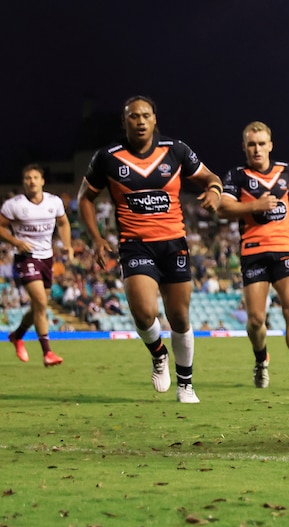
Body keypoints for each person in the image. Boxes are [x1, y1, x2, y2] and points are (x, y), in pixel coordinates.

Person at [77, 96, 223, 403]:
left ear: (155, 119)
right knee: (144, 314)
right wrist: (97, 238)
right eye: (133, 116)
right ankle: (159, 355)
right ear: (124, 121)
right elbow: (84, 198)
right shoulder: (107, 157)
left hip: (173, 243)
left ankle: (186, 385)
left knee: (180, 317)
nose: (140, 121)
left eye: (146, 115)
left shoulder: (176, 150)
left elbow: (210, 177)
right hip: (134, 245)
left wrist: (213, 190)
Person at [217, 121, 289, 392]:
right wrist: (255, 205)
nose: (257, 149)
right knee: (255, 321)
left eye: (262, 143)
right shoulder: (237, 175)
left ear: (270, 145)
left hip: (284, 248)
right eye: (252, 144)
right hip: (253, 252)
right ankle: (262, 359)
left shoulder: (285, 171)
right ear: (244, 147)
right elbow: (222, 207)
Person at [0, 164, 73, 366]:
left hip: (47, 258)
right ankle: (47, 352)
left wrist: (67, 245)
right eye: (27, 178)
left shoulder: (53, 202)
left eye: (35, 177)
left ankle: (17, 335)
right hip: (25, 258)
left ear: (42, 181)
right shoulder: (13, 205)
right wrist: (16, 242)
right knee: (41, 303)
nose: (31, 181)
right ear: (24, 182)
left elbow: (63, 222)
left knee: (37, 307)